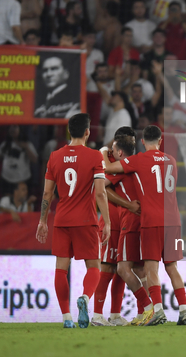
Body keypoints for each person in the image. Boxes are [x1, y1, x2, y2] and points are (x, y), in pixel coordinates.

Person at [101, 125, 186, 326]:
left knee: (151, 268)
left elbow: (107, 168)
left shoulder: (139, 160)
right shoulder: (172, 161)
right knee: (172, 267)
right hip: (173, 220)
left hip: (151, 220)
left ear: (142, 142)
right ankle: (184, 310)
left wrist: (103, 153)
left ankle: (158, 311)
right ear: (160, 141)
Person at [35, 113, 111, 329]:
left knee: (61, 268)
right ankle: (85, 298)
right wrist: (107, 221)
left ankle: (67, 317)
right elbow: (99, 194)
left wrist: (42, 221)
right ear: (88, 132)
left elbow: (47, 194)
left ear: (69, 132)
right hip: (86, 220)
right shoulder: (95, 156)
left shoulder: (54, 156)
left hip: (62, 220)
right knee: (94, 267)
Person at [92, 128, 144, 327]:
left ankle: (114, 314)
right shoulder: (107, 161)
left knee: (122, 268)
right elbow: (100, 188)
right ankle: (97, 314)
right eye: (127, 141)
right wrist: (104, 151)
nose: (130, 145)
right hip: (109, 222)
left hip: (123, 222)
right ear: (117, 144)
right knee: (107, 267)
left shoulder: (121, 164)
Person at [103, 133, 155, 325]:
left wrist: (101, 152)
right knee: (141, 270)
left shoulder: (120, 168)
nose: (111, 153)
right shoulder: (141, 165)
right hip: (146, 220)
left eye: (113, 150)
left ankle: (149, 307)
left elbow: (100, 187)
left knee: (123, 269)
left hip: (130, 221)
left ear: (119, 152)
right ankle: (146, 313)